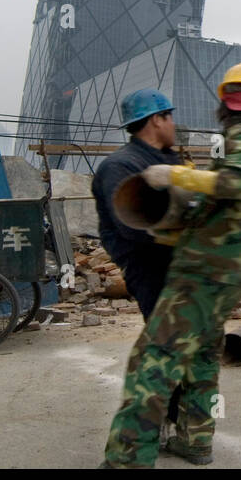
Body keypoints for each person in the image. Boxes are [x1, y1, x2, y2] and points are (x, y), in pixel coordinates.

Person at [103, 62, 241, 468]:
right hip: (231, 269)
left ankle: (127, 460)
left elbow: (236, 182)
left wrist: (175, 176)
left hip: (206, 269)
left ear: (225, 102)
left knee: (154, 358)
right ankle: (195, 439)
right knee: (202, 354)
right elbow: (229, 206)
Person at [90, 89, 182, 319]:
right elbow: (131, 227)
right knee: (168, 335)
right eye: (169, 117)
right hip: (150, 267)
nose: (174, 124)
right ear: (156, 120)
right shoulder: (120, 167)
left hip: (180, 259)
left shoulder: (169, 158)